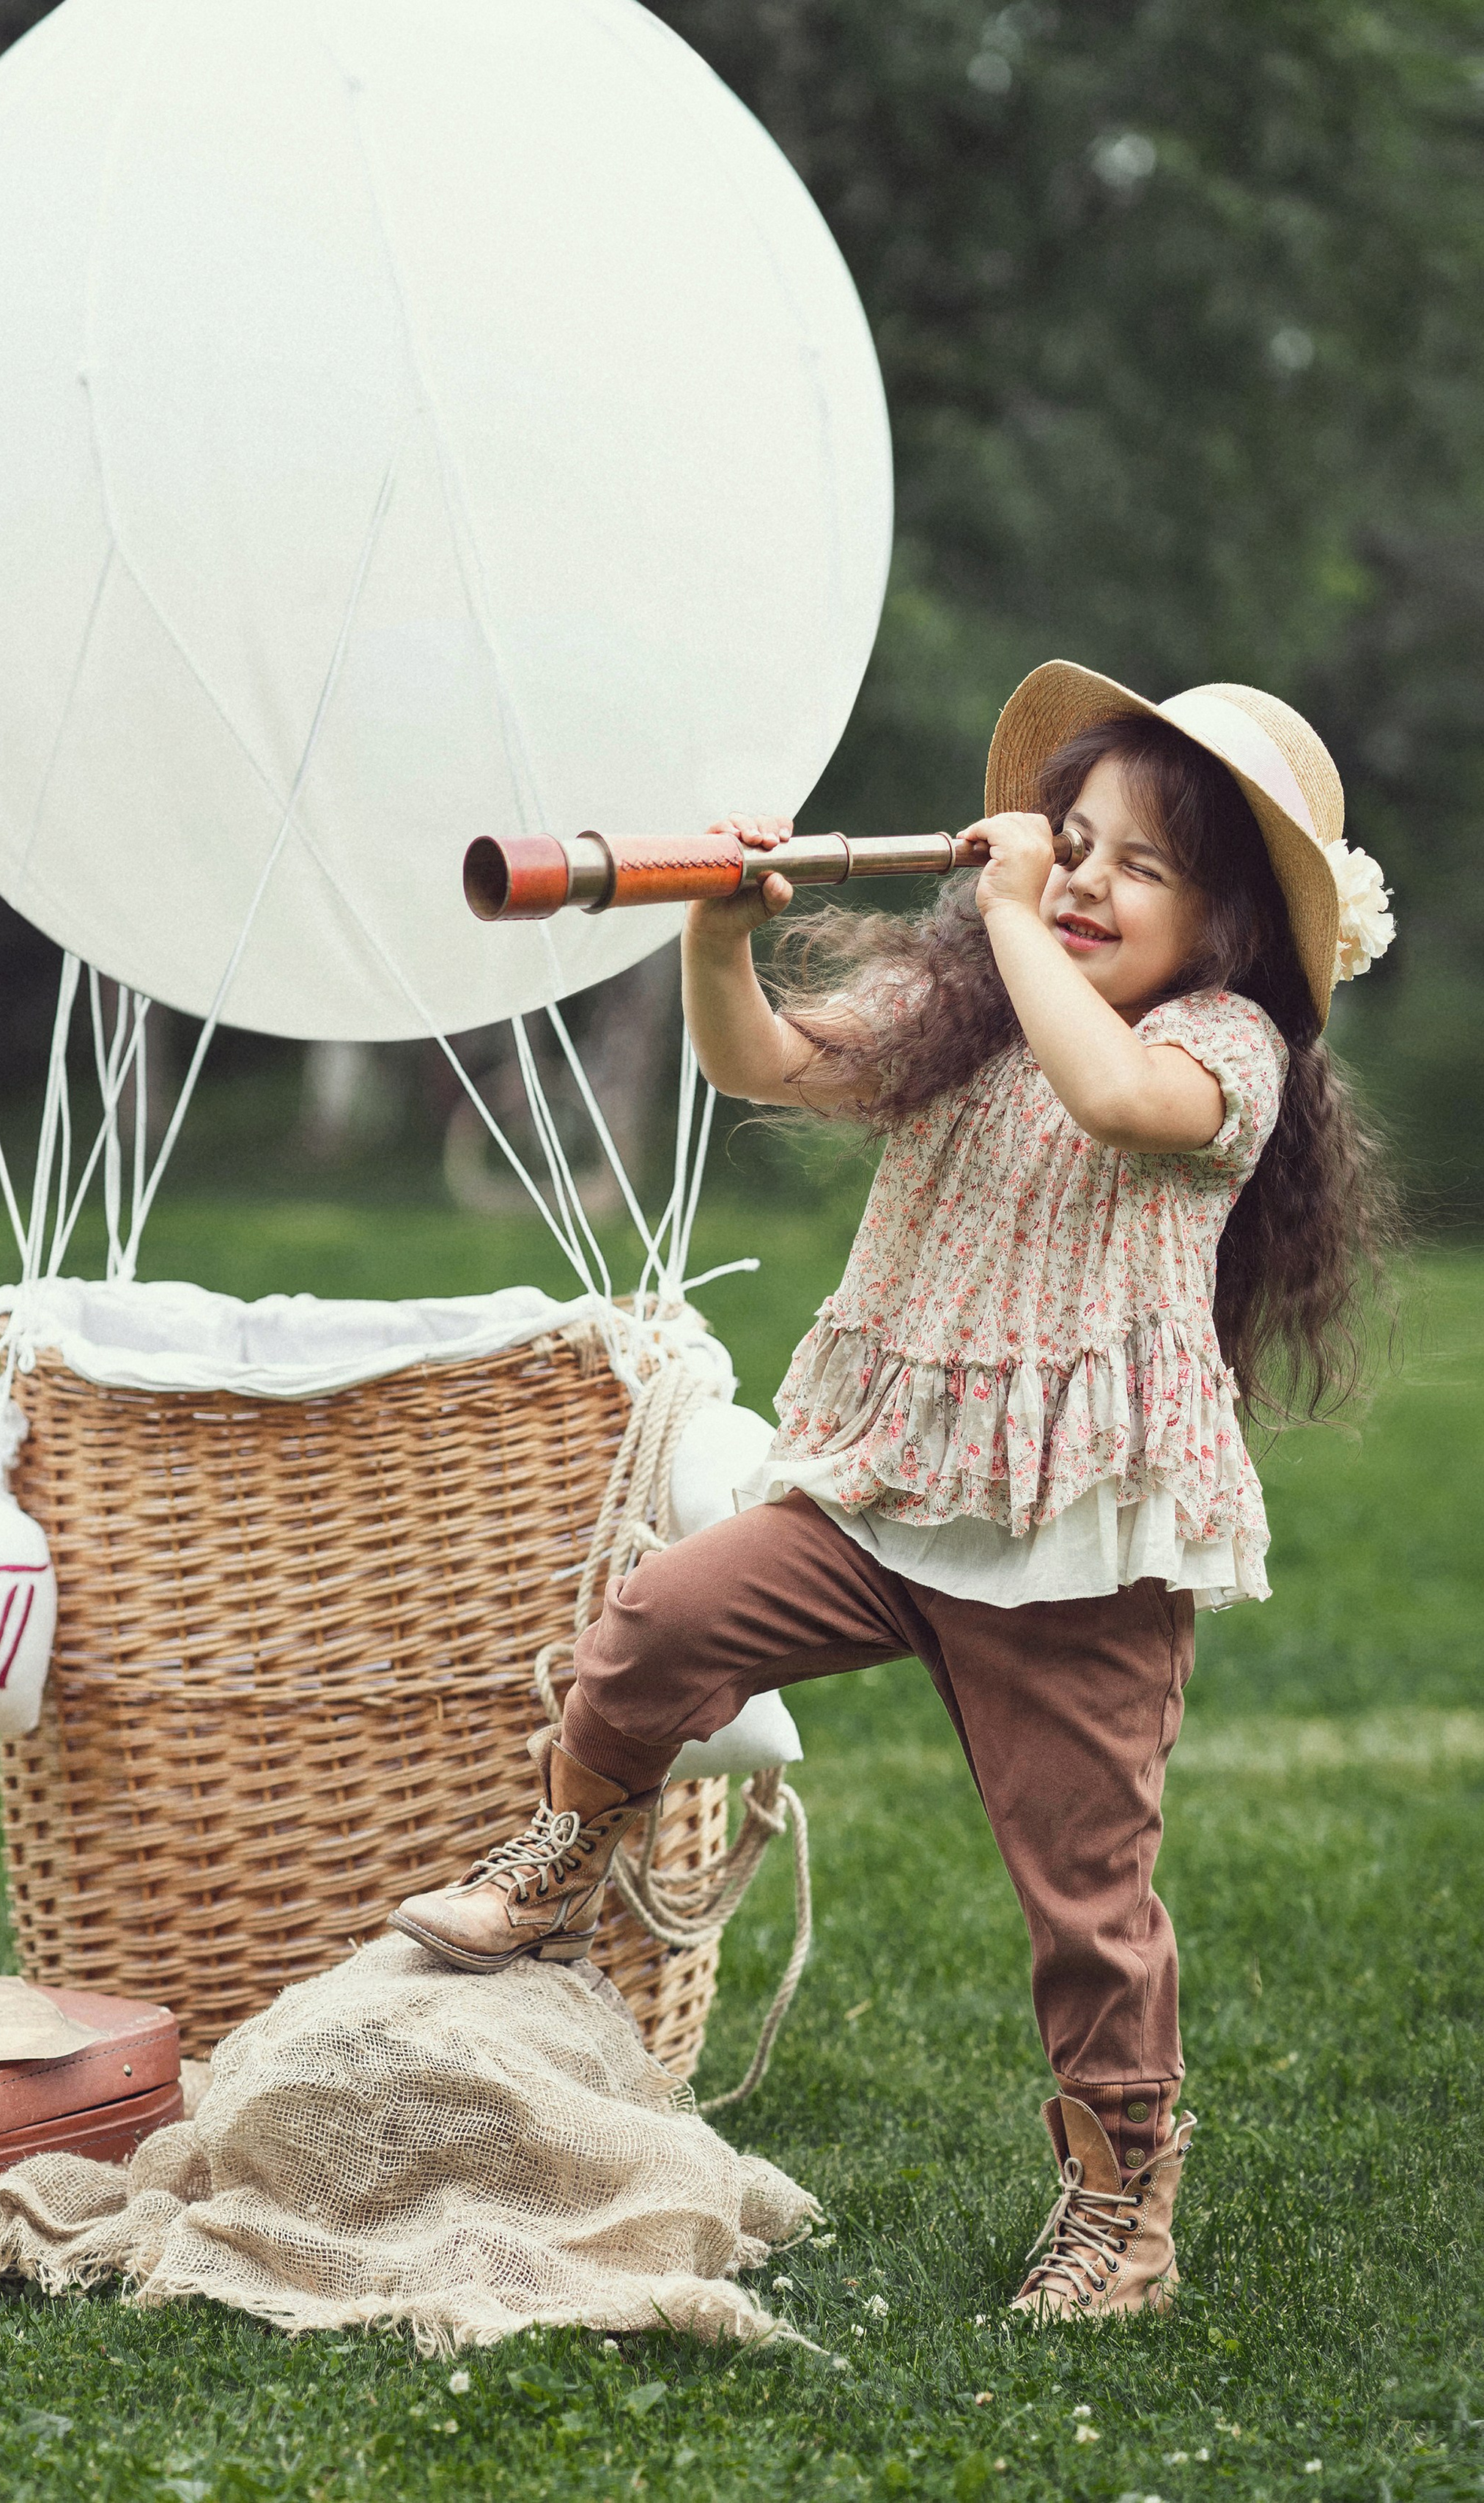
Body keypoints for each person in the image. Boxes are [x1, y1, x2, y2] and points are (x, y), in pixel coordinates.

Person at [394, 662, 1398, 2319]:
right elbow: (759, 1063)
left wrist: (1003, 919)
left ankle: (1119, 2203)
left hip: (1075, 1536)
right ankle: (566, 1853)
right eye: (1063, 840)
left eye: (1133, 865)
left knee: (1086, 1898)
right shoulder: (969, 1013)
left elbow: (1111, 1092)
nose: (1073, 878)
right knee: (656, 1620)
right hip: (894, 1491)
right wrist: (717, 928)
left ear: (1223, 924)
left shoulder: (1220, 1048)